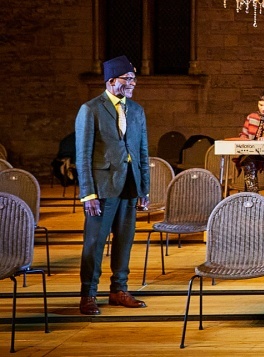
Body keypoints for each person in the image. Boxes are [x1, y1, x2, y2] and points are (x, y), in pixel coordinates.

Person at [74, 55, 150, 315]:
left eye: (134, 79)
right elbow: (82, 155)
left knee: (125, 241)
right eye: (128, 79)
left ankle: (119, 289)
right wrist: (88, 194)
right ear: (111, 80)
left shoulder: (137, 110)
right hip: (102, 188)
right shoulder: (91, 109)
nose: (133, 84)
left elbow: (142, 151)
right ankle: (88, 294)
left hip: (129, 185)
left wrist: (144, 188)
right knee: (95, 243)